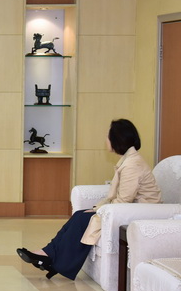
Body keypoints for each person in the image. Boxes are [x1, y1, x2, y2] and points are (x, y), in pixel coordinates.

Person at [17, 119, 162, 280]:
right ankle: (47, 253)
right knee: (80, 215)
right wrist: (96, 208)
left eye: (108, 136)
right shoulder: (129, 159)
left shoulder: (132, 164)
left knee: (82, 219)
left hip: (140, 213)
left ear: (117, 139)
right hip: (130, 209)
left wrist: (99, 210)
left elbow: (124, 200)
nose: (106, 140)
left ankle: (50, 257)